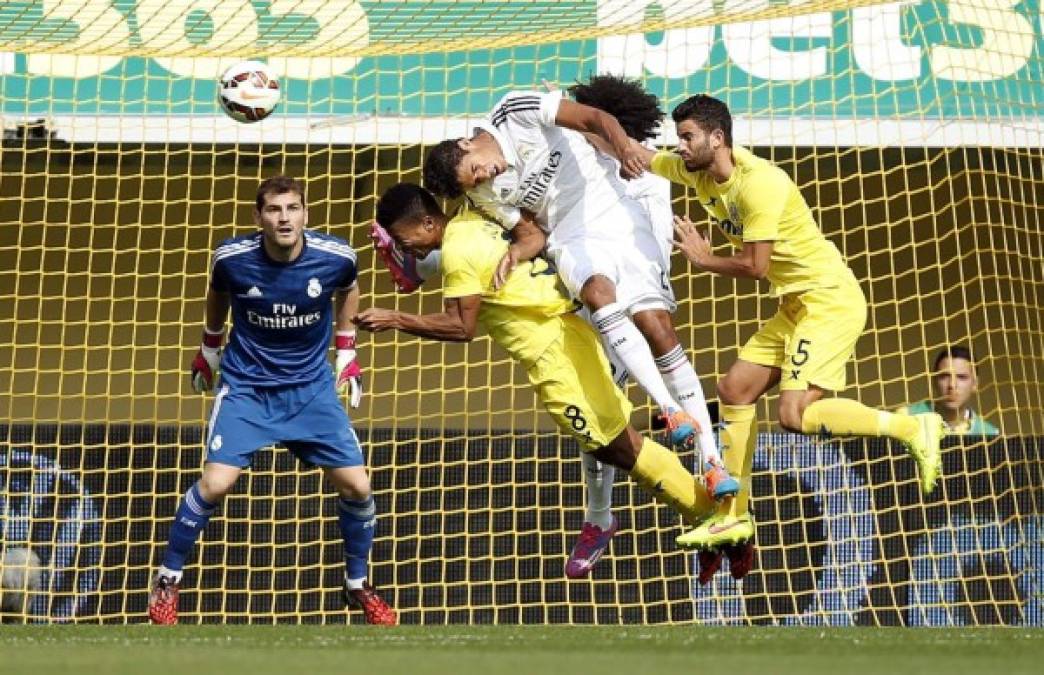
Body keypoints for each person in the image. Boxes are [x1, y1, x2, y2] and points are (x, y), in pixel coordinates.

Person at [624, 94, 945, 561]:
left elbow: (756, 266)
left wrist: (703, 258)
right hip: (795, 305)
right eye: (680, 138)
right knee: (734, 390)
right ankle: (731, 514)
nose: (681, 145)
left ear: (718, 138)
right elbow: (640, 156)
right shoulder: (694, 170)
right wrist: (584, 120)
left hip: (828, 300)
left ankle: (912, 427)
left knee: (793, 416)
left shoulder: (762, 185)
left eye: (688, 136)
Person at [356, 183, 722, 579]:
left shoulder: (459, 252)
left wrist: (396, 318)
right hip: (569, 330)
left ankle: (711, 518)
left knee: (618, 448)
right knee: (610, 444)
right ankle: (686, 517)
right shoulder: (472, 217)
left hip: (554, 357)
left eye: (403, 239)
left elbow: (462, 327)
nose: (403, 244)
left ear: (428, 222)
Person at [421, 84, 733, 494]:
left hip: (613, 206)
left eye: (476, 168)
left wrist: (623, 149)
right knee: (597, 296)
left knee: (656, 327)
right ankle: (670, 410)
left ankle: (713, 463)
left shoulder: (514, 110)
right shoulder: (482, 193)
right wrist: (517, 250)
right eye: (474, 180)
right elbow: (530, 233)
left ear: (467, 142)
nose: (485, 176)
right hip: (570, 236)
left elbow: (594, 119)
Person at [147, 176, 396, 626]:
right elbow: (219, 293)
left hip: (311, 391)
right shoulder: (232, 259)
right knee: (216, 484)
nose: (284, 218)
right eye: (274, 210)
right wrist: (208, 347)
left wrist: (347, 352)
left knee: (359, 487)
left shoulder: (336, 257)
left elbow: (350, 289)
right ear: (258, 217)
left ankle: (357, 583)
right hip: (247, 389)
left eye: (292, 208)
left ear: (306, 213)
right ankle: (167, 578)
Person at [900, 345, 999, 436]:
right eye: (944, 376)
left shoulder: (989, 434)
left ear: (975, 384)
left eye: (961, 377)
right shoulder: (907, 417)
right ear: (934, 380)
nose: (952, 385)